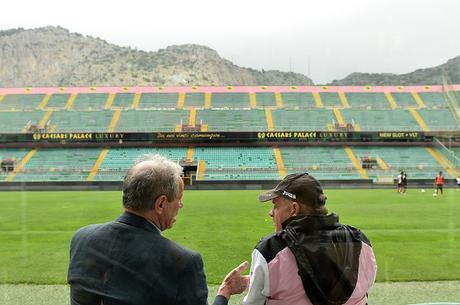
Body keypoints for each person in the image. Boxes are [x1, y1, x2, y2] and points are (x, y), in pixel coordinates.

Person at [68, 154, 249, 305]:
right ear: (161, 203)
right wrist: (225, 292)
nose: (181, 205)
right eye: (179, 198)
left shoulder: (81, 239)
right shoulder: (183, 262)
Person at [243, 173, 377, 305]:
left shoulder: (270, 251)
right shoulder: (361, 241)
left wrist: (224, 293)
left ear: (294, 209)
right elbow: (364, 288)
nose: (271, 212)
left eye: (276, 206)